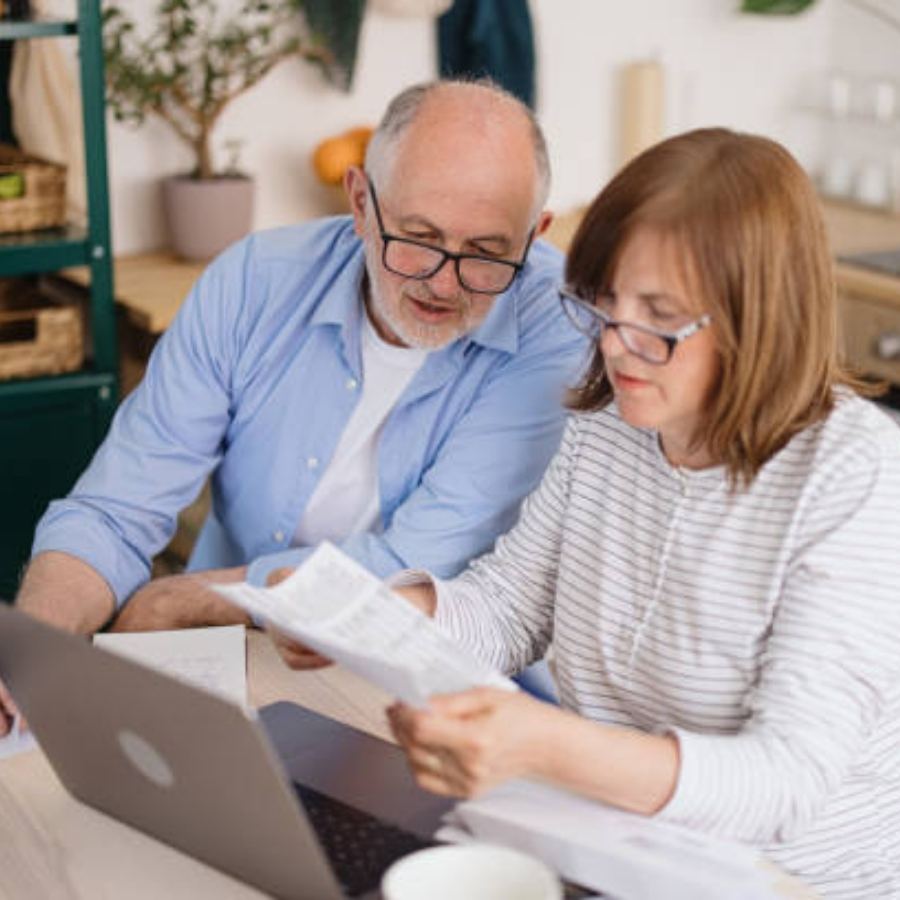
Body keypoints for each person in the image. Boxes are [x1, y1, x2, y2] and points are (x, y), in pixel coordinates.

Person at [282, 129, 900, 897]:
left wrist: (544, 743)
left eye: (658, 318)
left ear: (758, 318)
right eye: (604, 305)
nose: (614, 346)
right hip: (613, 857)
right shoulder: (612, 424)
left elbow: (784, 783)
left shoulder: (856, 476)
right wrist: (365, 616)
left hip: (791, 885)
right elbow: (510, 609)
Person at [0, 79, 586, 734]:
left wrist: (181, 600)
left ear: (534, 234)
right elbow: (115, 510)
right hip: (228, 657)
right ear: (360, 202)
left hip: (420, 681)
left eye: (486, 254)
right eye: (419, 238)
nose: (444, 284)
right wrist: (30, 647)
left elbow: (412, 569)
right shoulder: (254, 281)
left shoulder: (558, 331)